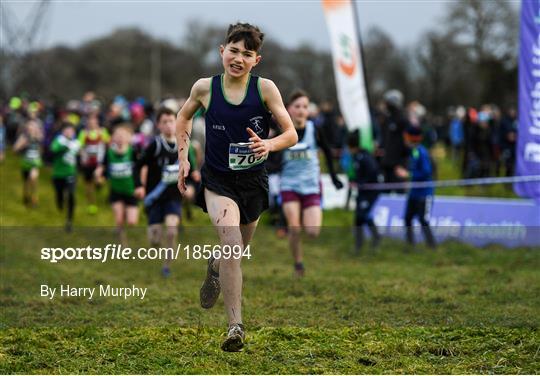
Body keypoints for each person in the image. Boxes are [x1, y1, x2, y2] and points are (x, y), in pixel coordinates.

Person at [176, 22, 297, 352]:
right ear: (222, 51)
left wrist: (269, 145)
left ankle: (215, 265)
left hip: (253, 181)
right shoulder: (205, 88)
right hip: (218, 181)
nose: (238, 58)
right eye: (233, 51)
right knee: (231, 243)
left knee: (236, 250)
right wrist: (183, 158)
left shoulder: (265, 89)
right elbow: (183, 118)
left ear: (256, 60)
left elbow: (291, 134)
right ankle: (235, 326)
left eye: (247, 54)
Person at [280, 90, 343, 277]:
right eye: (297, 106)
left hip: (310, 186)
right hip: (289, 184)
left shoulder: (315, 130)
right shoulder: (283, 130)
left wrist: (333, 177)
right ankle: (298, 264)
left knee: (313, 231)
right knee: (295, 227)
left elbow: (329, 154)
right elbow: (272, 154)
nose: (301, 110)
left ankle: (297, 244)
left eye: (305, 107)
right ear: (289, 109)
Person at [134, 107, 183, 278]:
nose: (169, 125)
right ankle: (160, 245)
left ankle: (166, 266)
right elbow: (138, 165)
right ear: (158, 125)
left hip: (173, 197)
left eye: (171, 121)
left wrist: (192, 182)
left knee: (171, 231)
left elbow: (190, 168)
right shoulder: (154, 145)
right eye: (165, 122)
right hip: (154, 197)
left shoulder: (182, 144)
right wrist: (139, 185)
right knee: (154, 241)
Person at [95, 125, 139, 245]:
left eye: (122, 135)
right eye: (117, 135)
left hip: (130, 191)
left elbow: (140, 169)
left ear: (128, 138)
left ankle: (124, 215)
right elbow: (102, 167)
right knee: (119, 220)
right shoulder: (109, 153)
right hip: (116, 191)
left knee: (132, 222)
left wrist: (141, 186)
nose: (119, 138)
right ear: (113, 138)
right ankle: (123, 244)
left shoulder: (133, 152)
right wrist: (99, 175)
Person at [396, 126, 437, 250]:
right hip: (414, 192)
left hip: (423, 193)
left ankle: (432, 246)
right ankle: (410, 244)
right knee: (408, 218)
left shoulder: (421, 152)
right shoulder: (414, 151)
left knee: (422, 219)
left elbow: (426, 171)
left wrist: (408, 174)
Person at [347, 130, 381, 254]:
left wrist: (362, 182)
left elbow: (373, 172)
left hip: (370, 191)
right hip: (362, 192)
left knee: (363, 215)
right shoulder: (356, 157)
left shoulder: (364, 157)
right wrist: (354, 180)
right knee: (358, 219)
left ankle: (376, 236)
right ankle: (358, 244)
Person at [50, 122, 81, 232]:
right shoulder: (59, 140)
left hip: (70, 173)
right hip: (58, 174)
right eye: (67, 130)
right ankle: (59, 201)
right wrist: (64, 146)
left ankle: (69, 221)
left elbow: (80, 153)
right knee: (59, 193)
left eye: (71, 130)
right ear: (63, 132)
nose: (69, 132)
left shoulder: (76, 143)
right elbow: (53, 149)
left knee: (71, 195)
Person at [78, 113, 110, 214]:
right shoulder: (83, 133)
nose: (92, 124)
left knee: (99, 180)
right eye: (90, 122)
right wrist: (82, 157)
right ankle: (91, 203)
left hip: (99, 163)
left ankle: (99, 186)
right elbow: (80, 146)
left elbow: (108, 142)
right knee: (88, 184)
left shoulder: (102, 132)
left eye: (94, 122)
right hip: (88, 163)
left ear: (97, 122)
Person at [13, 119, 44, 207]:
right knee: (26, 182)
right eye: (30, 125)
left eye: (34, 125)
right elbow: (15, 149)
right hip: (26, 162)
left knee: (33, 178)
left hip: (35, 162)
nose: (32, 127)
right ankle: (26, 196)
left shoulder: (39, 137)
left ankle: (34, 198)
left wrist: (40, 155)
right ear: (27, 127)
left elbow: (41, 149)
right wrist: (23, 145)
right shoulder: (24, 137)